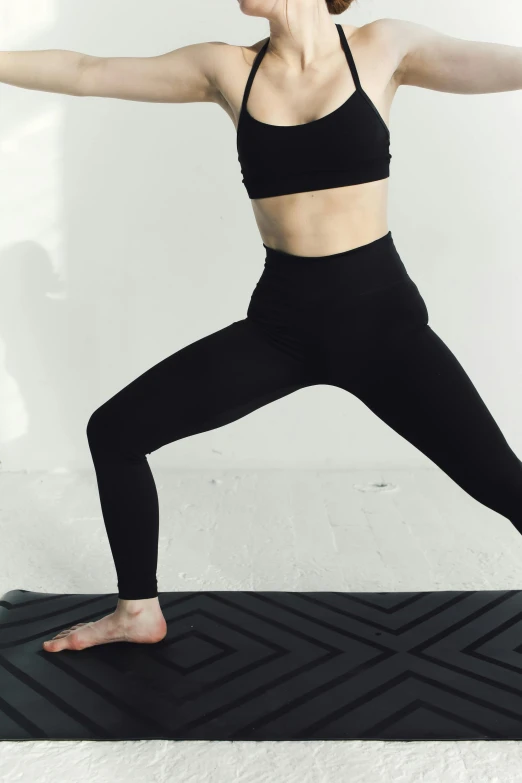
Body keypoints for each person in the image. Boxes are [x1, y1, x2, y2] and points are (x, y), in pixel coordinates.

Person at [1, 0, 520, 652]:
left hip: (385, 328)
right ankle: (138, 611)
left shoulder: (384, 48)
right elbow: (86, 69)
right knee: (115, 430)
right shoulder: (228, 69)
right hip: (282, 328)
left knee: (505, 482)